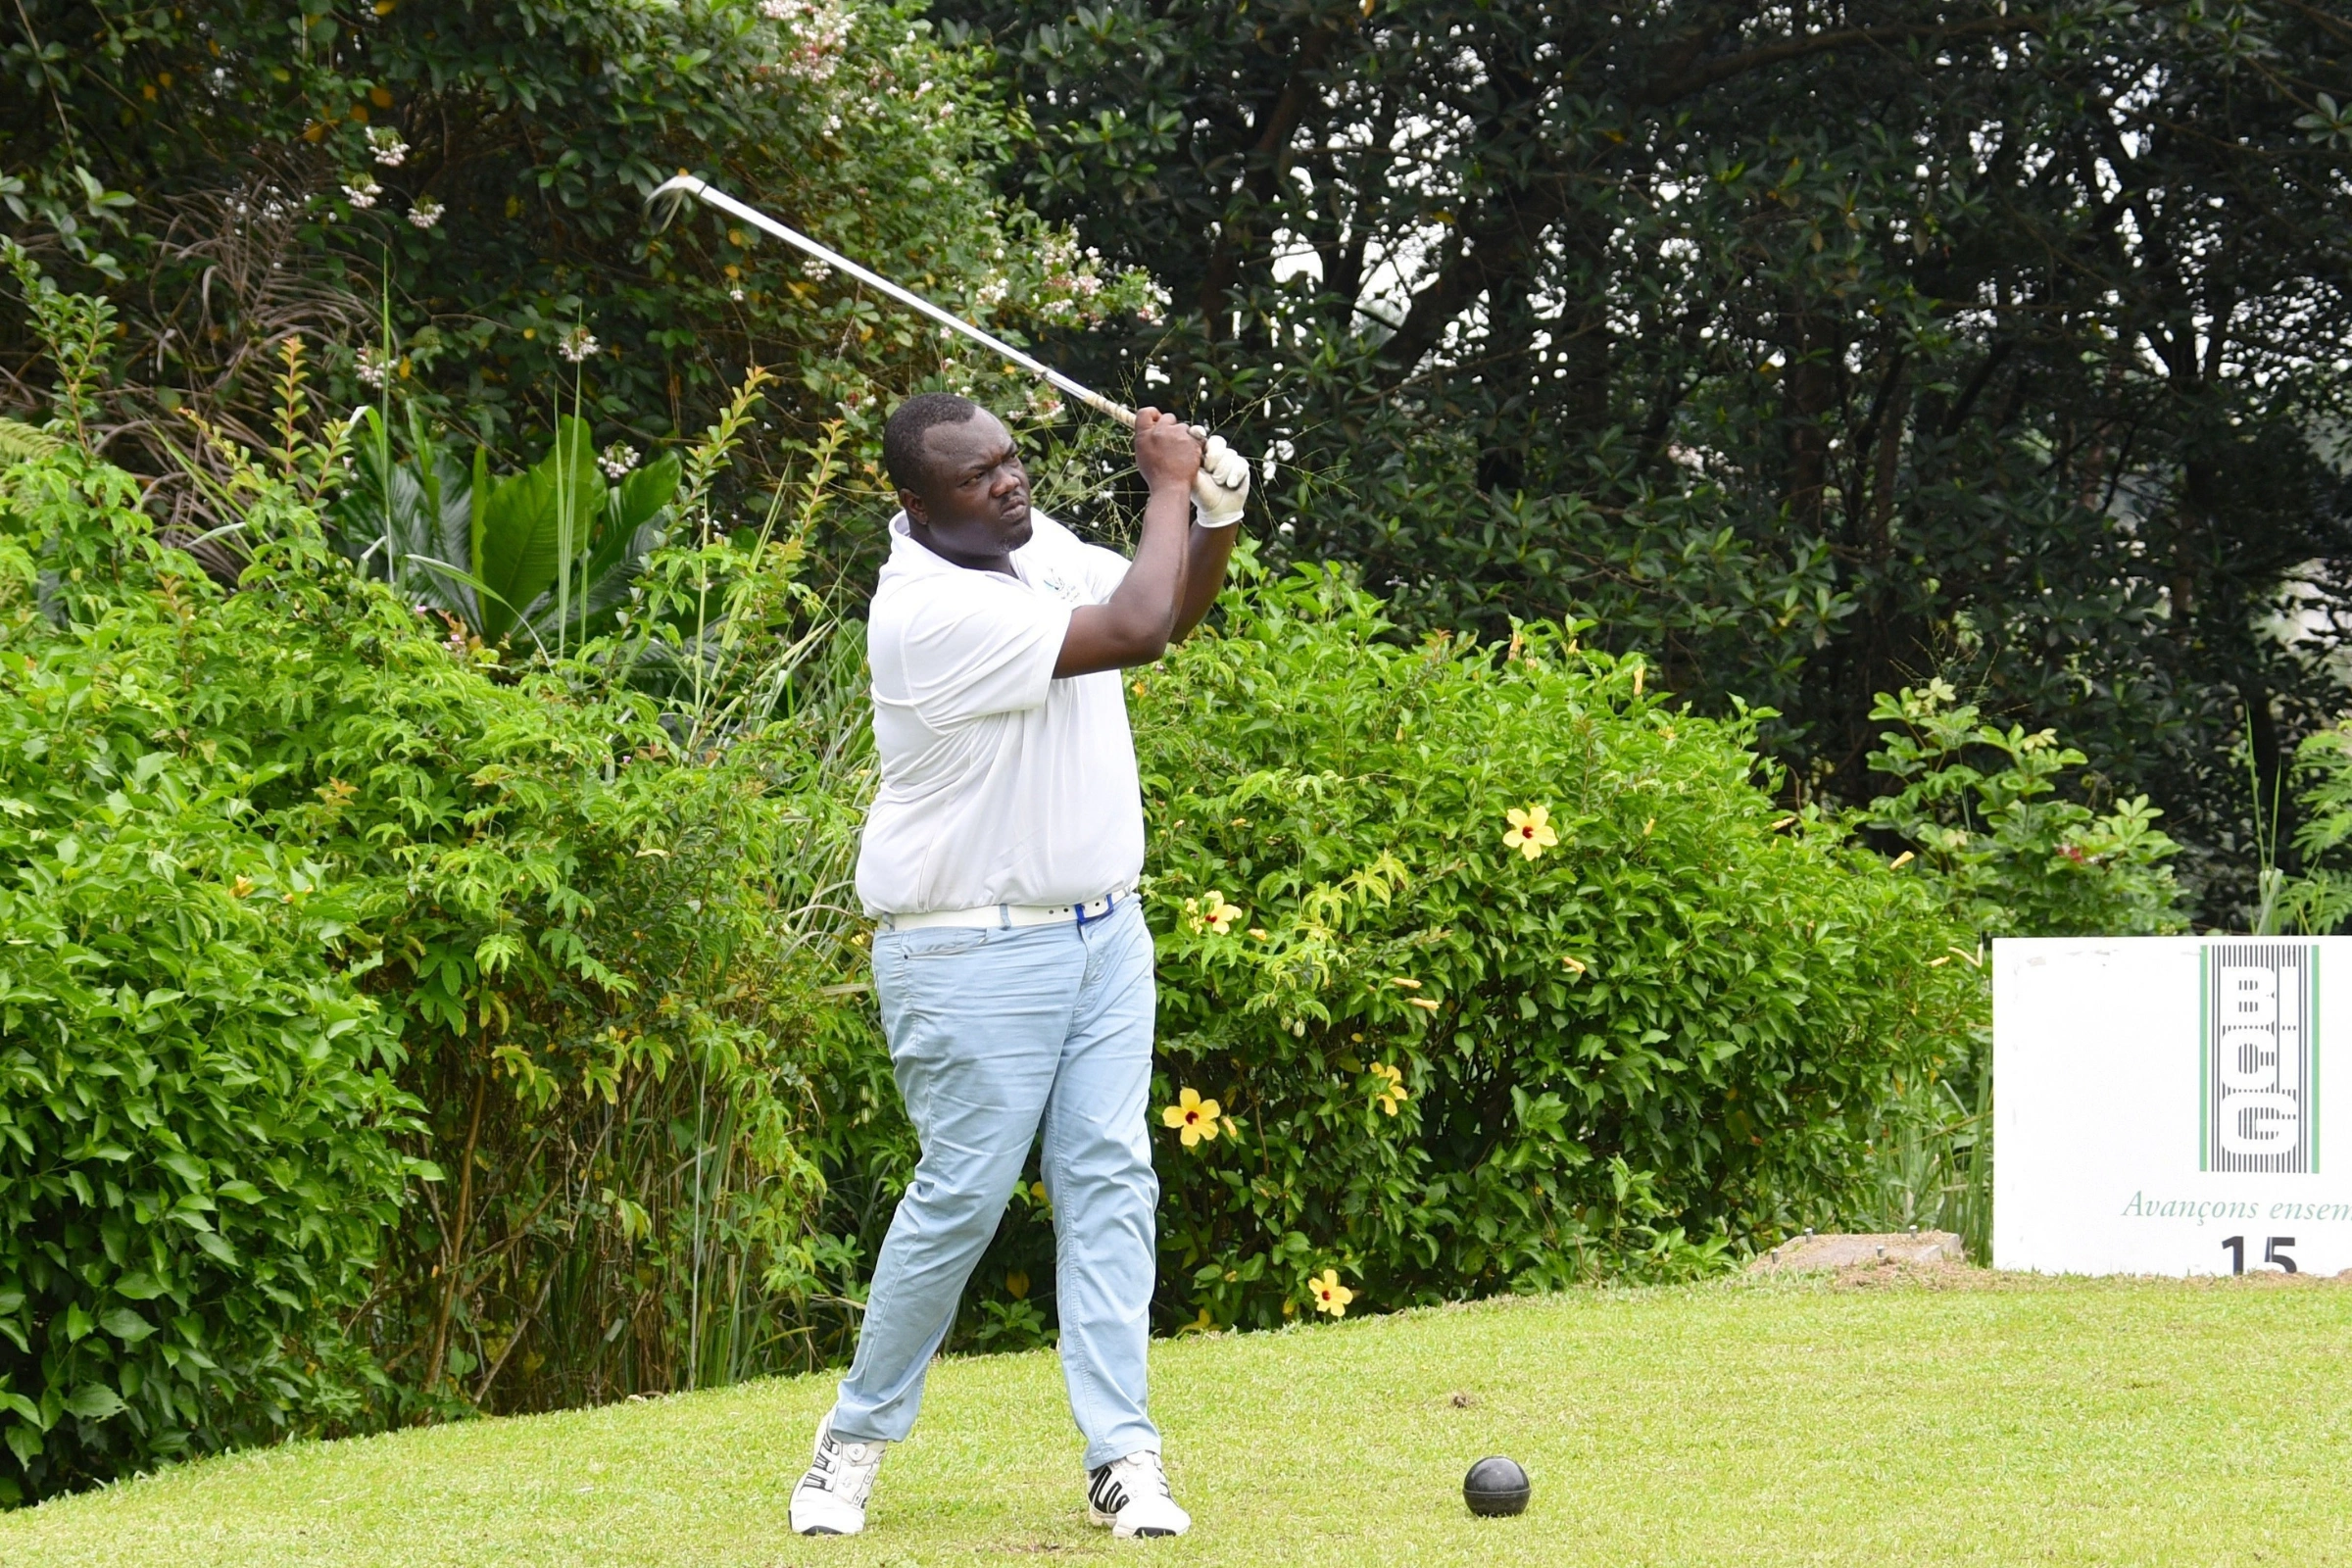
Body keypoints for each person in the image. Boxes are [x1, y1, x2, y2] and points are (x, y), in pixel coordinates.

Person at [788, 393, 1250, 1540]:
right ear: (916, 504)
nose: (1009, 484)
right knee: (962, 1198)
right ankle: (848, 1446)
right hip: (967, 948)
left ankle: (1125, 1458)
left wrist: (1219, 508)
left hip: (1104, 932)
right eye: (978, 476)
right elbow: (1135, 627)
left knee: (1109, 1181)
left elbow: (1169, 606)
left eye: (1011, 461)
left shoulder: (1030, 546)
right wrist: (1165, 484)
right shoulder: (924, 611)